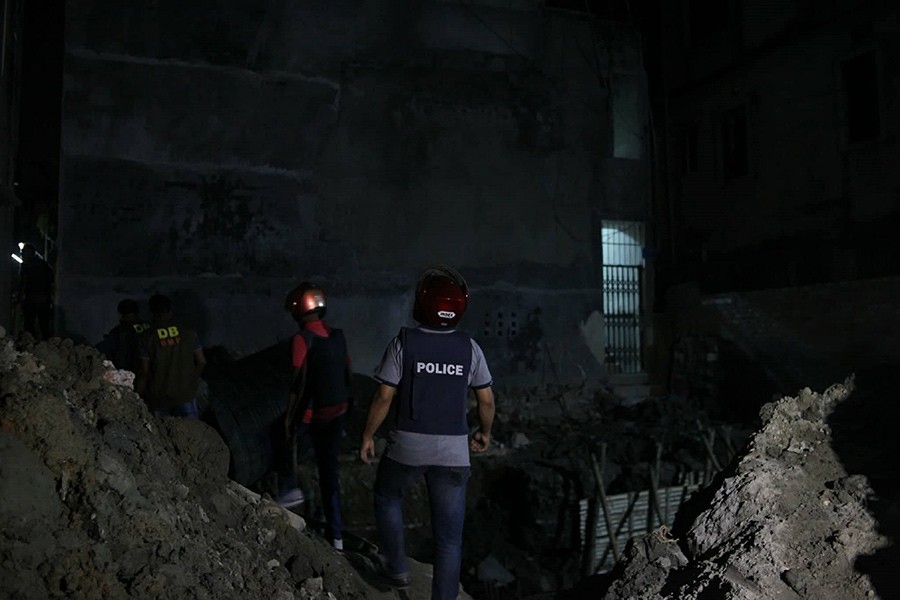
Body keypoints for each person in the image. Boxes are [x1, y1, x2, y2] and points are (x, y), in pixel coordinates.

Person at [359, 265, 495, 599]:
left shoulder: (403, 342)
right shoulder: (470, 348)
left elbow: (383, 396)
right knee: (449, 540)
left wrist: (367, 435)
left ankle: (397, 568)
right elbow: (487, 400)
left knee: (388, 496)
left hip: (408, 444)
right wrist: (484, 432)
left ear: (421, 303)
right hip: (454, 452)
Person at [276, 283, 352, 551]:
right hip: (339, 411)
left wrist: (289, 418)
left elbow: (298, 383)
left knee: (284, 441)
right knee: (329, 472)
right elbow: (346, 372)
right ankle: (337, 536)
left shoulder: (302, 340)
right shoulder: (338, 336)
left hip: (315, 413)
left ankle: (289, 490)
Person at [135, 294, 206, 419]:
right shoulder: (188, 332)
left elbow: (144, 371)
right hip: (185, 395)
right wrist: (191, 381)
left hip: (159, 398)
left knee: (163, 436)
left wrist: (137, 394)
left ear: (151, 313)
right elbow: (201, 361)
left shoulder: (146, 337)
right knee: (192, 435)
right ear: (170, 311)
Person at [96, 298, 150, 372]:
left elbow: (104, 348)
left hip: (131, 373)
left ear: (120, 314)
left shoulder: (119, 332)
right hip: (152, 372)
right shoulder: (149, 326)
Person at [17, 243, 54, 340]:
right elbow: (51, 280)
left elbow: (23, 282)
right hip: (43, 299)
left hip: (32, 299)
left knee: (29, 324)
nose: (22, 254)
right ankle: (46, 344)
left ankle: (29, 345)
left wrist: (20, 296)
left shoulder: (26, 265)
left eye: (23, 252)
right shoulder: (43, 264)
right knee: (44, 325)